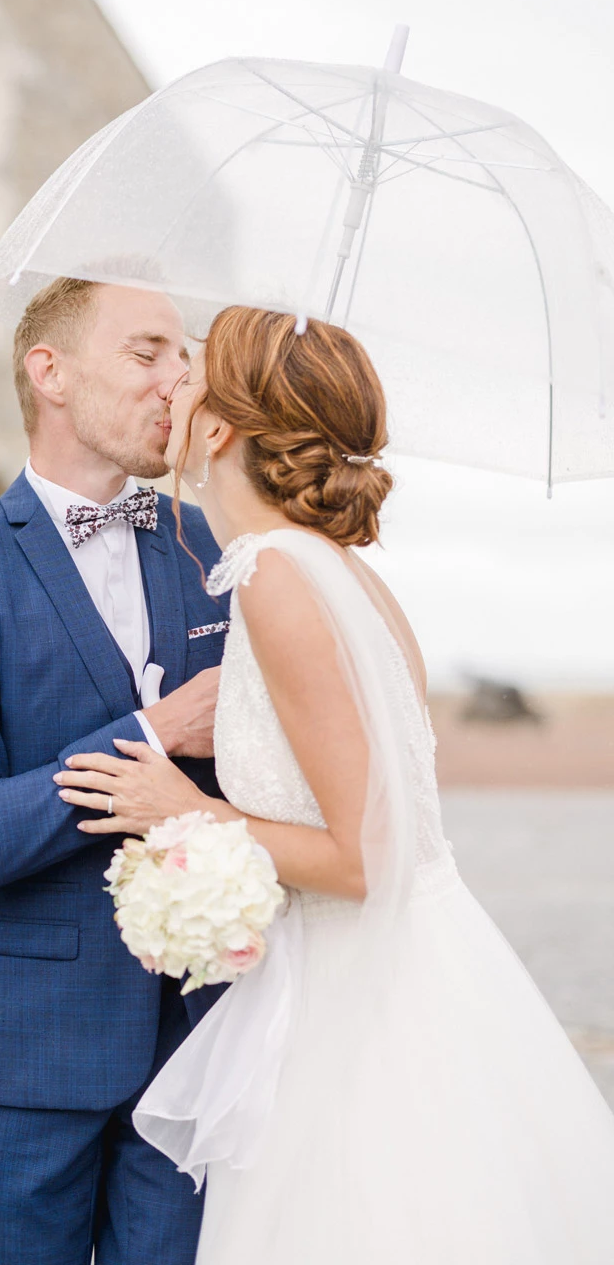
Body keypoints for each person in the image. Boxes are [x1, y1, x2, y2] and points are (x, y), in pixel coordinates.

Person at [55, 304, 614, 1263]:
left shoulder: (278, 576)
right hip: (390, 967)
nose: (171, 383)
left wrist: (189, 811)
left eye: (191, 372)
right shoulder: (341, 574)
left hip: (358, 1002)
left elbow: (365, 857)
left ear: (219, 429)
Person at [0, 278, 231, 1265]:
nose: (178, 380)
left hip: (199, 1045)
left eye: (184, 356)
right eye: (147, 352)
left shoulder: (218, 550)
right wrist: (153, 733)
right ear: (52, 373)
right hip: (20, 1050)